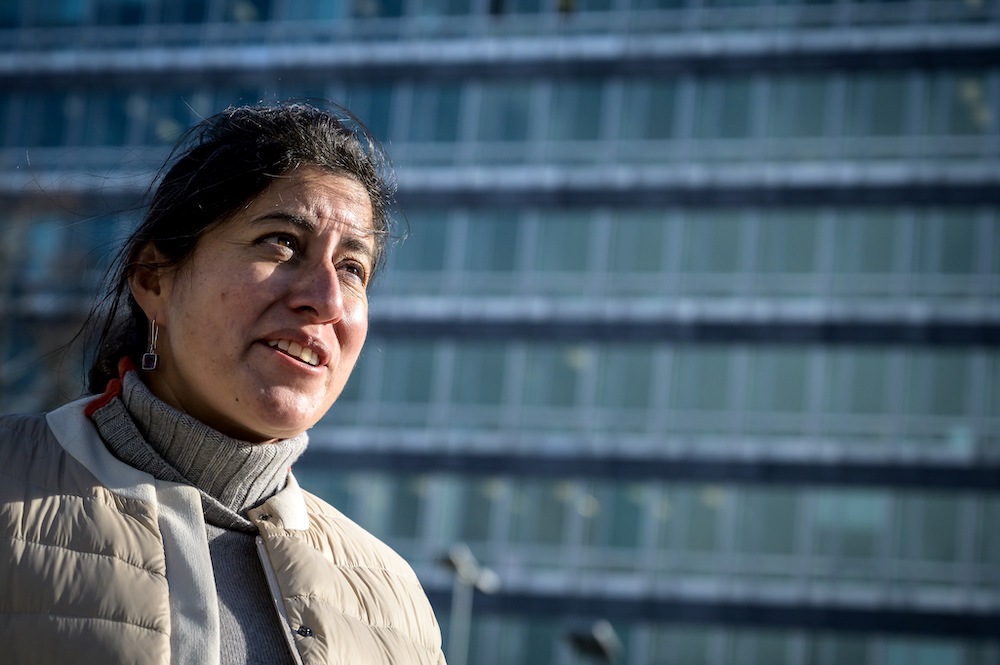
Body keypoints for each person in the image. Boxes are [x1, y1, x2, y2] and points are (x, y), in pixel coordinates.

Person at [0, 101, 447, 665]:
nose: (327, 299)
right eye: (281, 242)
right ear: (153, 279)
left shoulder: (393, 602)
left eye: (353, 268)